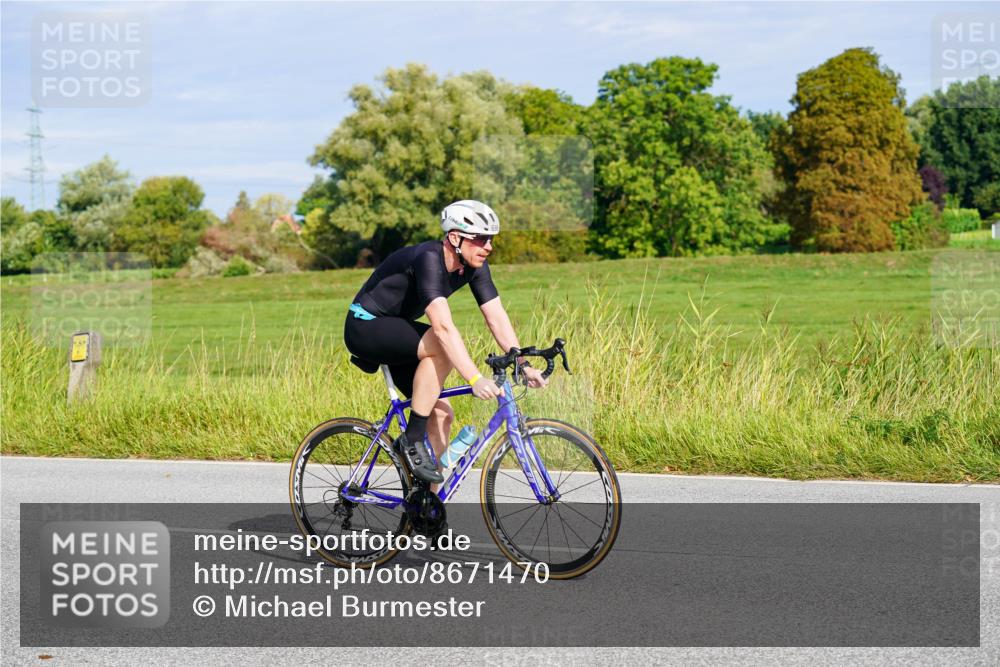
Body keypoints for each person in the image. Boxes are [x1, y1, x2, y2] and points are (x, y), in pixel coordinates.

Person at [343, 200, 548, 484]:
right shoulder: (428, 258)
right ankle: (411, 440)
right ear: (454, 238)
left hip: (399, 332)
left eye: (490, 239)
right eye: (480, 239)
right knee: (441, 347)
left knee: (441, 416)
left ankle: (427, 502)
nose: (488, 246)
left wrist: (522, 364)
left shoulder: (475, 266)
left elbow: (496, 317)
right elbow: (442, 328)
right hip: (365, 327)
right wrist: (474, 378)